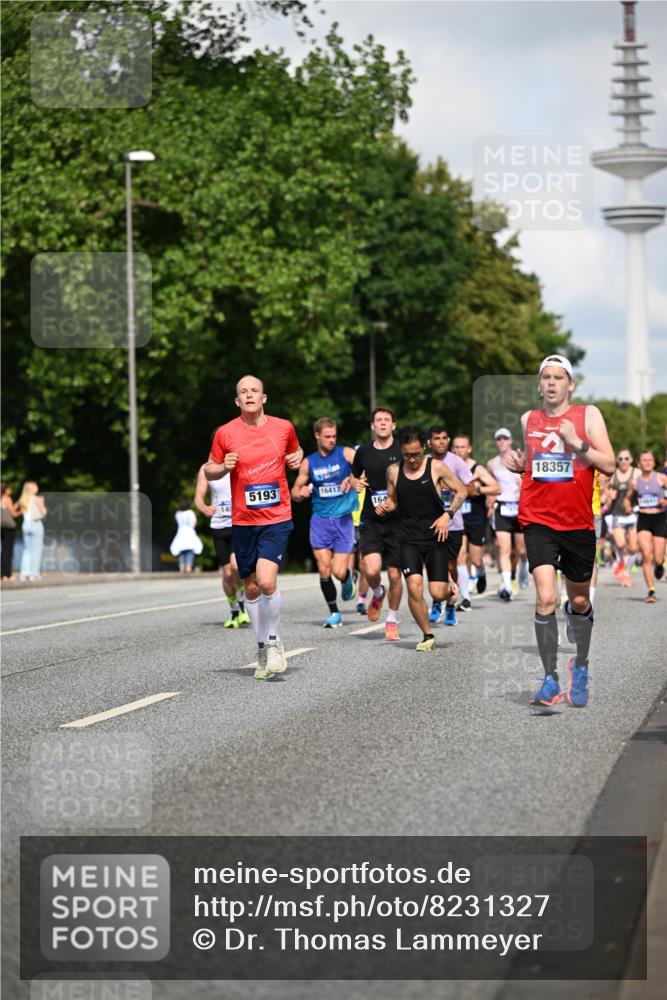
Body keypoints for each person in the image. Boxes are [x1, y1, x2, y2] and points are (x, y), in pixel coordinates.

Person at [505, 354, 615, 708]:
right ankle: (550, 677)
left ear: (570, 384)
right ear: (539, 385)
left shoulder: (589, 416)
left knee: (579, 600)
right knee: (546, 598)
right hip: (538, 520)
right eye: (546, 377)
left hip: (578, 523)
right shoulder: (529, 420)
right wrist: (523, 468)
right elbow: (540, 468)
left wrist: (576, 441)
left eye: (558, 377)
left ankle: (580, 664)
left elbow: (609, 465)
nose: (552, 383)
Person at [204, 375, 303, 680]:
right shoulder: (225, 433)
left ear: (264, 398)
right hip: (244, 520)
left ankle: (274, 641)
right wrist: (224, 467)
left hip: (276, 517)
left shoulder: (284, 427)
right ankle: (261, 646)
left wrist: (296, 460)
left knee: (266, 579)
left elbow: (295, 454)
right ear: (237, 401)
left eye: (254, 391)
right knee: (249, 587)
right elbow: (209, 469)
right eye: (243, 392)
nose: (249, 395)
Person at [375, 426, 467, 651]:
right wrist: (387, 506)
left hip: (435, 535)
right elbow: (393, 499)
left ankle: (450, 588)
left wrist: (448, 515)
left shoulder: (436, 467)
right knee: (414, 587)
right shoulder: (393, 471)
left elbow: (462, 491)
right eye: (407, 455)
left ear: (423, 448)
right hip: (407, 537)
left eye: (416, 454)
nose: (412, 459)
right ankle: (427, 635)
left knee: (437, 592)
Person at [291, 418, 358, 628]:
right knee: (323, 568)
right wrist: (299, 494)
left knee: (338, 571)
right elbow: (294, 491)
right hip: (320, 520)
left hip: (343, 520)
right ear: (317, 436)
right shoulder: (309, 462)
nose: (331, 440)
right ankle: (334, 612)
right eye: (327, 436)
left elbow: (368, 466)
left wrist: (354, 477)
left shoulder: (345, 453)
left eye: (334, 436)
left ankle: (348, 577)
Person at [350, 408, 404, 640]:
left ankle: (392, 619)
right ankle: (377, 592)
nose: (382, 424)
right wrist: (355, 483)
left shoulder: (402, 449)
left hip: (399, 521)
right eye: (378, 420)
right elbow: (353, 475)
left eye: (386, 420)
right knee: (371, 570)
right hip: (371, 520)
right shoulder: (363, 451)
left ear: (393, 424)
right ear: (372, 426)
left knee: (394, 576)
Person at [426, 425, 475, 624]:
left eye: (445, 438)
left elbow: (471, 488)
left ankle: (451, 604)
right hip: (430, 524)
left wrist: (451, 486)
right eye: (437, 438)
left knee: (451, 566)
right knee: (433, 566)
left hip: (454, 524)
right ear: (429, 442)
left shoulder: (456, 461)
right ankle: (437, 601)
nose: (441, 442)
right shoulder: (424, 462)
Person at [194, 464, 249, 628]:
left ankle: (242, 600)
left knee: (236, 565)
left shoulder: (238, 465)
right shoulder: (206, 468)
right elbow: (198, 496)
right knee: (226, 574)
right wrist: (203, 507)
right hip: (218, 526)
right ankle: (234, 611)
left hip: (238, 524)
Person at [451, 434, 500, 605]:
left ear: (469, 449)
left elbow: (496, 488)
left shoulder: (477, 469)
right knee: (461, 555)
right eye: (456, 447)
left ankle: (480, 572)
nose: (459, 450)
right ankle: (465, 596)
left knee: (476, 558)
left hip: (475, 518)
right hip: (457, 517)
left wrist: (477, 488)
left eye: (462, 447)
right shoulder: (447, 467)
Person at [488, 428, 528, 600]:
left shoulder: (521, 459)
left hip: (520, 507)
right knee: (503, 548)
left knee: (521, 549)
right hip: (502, 507)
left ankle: (522, 568)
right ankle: (507, 585)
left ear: (511, 441)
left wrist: (524, 481)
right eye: (499, 439)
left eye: (505, 438)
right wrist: (489, 502)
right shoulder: (492, 463)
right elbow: (490, 484)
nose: (502, 441)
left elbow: (533, 479)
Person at [626, 451, 667, 603]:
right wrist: (628, 506)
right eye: (644, 460)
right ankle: (651, 590)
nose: (648, 462)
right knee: (646, 554)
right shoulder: (635, 482)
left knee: (657, 557)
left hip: (659, 518)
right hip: (643, 518)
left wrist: (665, 502)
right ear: (639, 464)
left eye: (650, 460)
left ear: (654, 463)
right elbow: (627, 499)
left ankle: (660, 564)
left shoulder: (662, 478)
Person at [607, 450, 638, 586]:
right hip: (617, 514)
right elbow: (606, 497)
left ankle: (626, 570)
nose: (624, 461)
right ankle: (622, 567)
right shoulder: (613, 475)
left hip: (633, 514)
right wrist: (610, 497)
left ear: (631, 460)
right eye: (621, 458)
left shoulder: (636, 473)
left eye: (626, 458)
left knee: (632, 548)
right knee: (620, 544)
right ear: (617, 461)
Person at [18, 481, 47, 582]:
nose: (37, 488)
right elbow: (43, 512)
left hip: (25, 524)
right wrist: (42, 504)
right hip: (36, 524)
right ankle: (34, 574)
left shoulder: (22, 499)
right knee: (36, 550)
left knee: (27, 550)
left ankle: (24, 573)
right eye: (35, 486)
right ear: (31, 488)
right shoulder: (36, 498)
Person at [170, 498, 203, 572]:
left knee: (181, 551)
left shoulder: (177, 513)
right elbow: (193, 524)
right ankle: (188, 567)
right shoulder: (190, 512)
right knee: (190, 551)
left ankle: (181, 567)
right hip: (189, 533)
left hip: (180, 533)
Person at [1, 483, 20, 581]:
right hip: (9, 527)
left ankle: (3, 574)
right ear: (5, 490)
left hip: (2, 526)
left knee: (4, 551)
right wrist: (21, 511)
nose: (11, 490)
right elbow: (13, 514)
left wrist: (15, 505)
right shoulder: (7, 499)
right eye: (9, 489)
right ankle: (7, 574)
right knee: (8, 551)